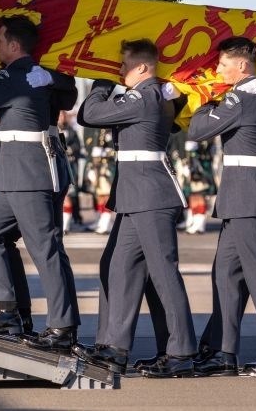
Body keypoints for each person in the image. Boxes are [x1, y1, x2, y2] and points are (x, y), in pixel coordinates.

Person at [73, 39, 197, 378]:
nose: (121, 71)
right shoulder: (152, 95)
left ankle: (181, 351)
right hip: (135, 194)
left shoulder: (144, 97)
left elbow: (89, 114)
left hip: (150, 195)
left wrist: (100, 82)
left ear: (143, 67)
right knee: (117, 267)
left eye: (125, 66)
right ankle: (114, 346)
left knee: (163, 273)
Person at [0, 16, 80, 352]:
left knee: (45, 248)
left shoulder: (18, 76)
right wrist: (55, 76)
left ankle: (62, 326)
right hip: (16, 171)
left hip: (32, 172)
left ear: (14, 45)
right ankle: (9, 311)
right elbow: (67, 94)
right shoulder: (33, 75)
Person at [188, 37, 256, 378]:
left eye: (222, 64)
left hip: (248, 196)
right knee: (226, 275)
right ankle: (222, 351)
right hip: (244, 196)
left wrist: (206, 98)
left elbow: (197, 129)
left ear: (241, 66)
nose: (218, 70)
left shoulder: (240, 96)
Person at [81, 124, 118, 234]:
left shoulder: (111, 130)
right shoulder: (92, 130)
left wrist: (106, 152)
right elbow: (89, 146)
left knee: (106, 195)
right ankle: (102, 221)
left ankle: (105, 222)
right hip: (96, 166)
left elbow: (114, 147)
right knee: (99, 196)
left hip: (106, 166)